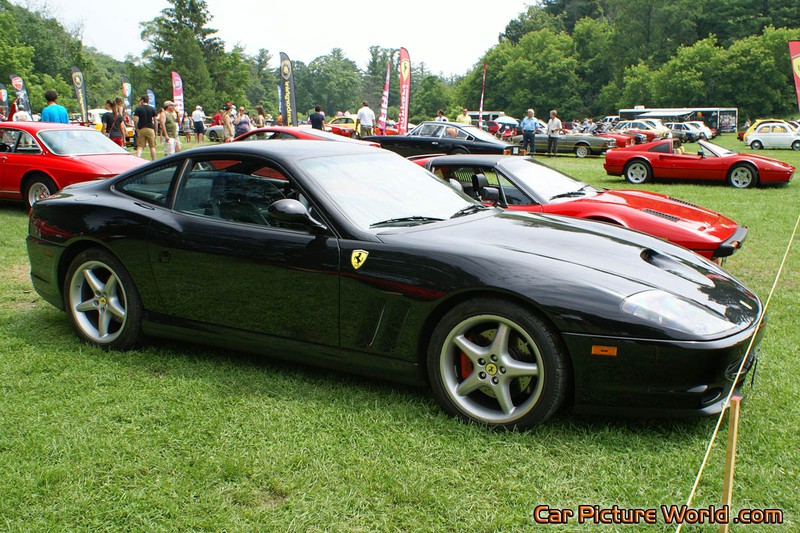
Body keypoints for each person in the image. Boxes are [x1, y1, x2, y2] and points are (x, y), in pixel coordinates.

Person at [133, 95, 157, 160]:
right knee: (152, 147)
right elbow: (155, 121)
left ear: (142, 100)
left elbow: (135, 120)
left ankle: (137, 159)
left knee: (140, 147)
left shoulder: (138, 108)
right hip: (150, 129)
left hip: (141, 129)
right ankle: (154, 161)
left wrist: (136, 128)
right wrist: (156, 131)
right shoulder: (152, 109)